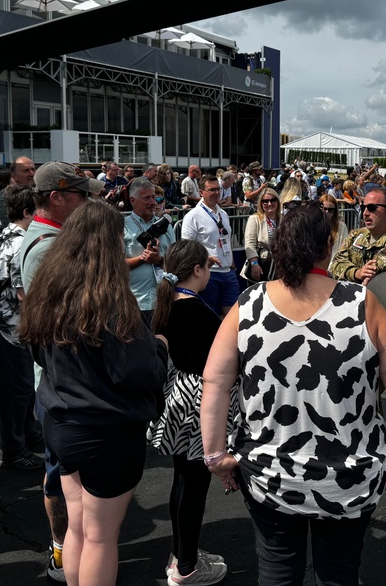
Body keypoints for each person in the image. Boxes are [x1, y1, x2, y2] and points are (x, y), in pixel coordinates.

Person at [200, 204, 386, 586]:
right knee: (339, 571)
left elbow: (216, 382)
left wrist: (215, 454)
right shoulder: (361, 302)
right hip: (348, 475)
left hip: (269, 474)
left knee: (277, 568)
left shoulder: (249, 303)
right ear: (328, 245)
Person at [21, 202, 168, 586]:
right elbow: (137, 371)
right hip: (106, 430)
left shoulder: (48, 291)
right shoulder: (111, 301)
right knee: (101, 536)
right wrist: (160, 348)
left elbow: (36, 349)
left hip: (61, 422)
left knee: (78, 527)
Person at [22, 161, 105, 584]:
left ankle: (75, 548)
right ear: (56, 196)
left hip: (65, 386)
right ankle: (62, 551)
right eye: (80, 196)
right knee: (61, 478)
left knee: (71, 478)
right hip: (63, 387)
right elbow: (53, 327)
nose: (87, 203)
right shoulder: (46, 246)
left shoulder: (51, 240)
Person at [149, 239, 231, 585]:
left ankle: (183, 554)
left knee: (183, 479)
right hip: (200, 399)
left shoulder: (168, 302)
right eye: (207, 267)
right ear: (197, 270)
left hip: (179, 395)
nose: (210, 272)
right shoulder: (194, 310)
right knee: (194, 483)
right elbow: (214, 363)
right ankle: (186, 567)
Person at [0, 185, 43, 471]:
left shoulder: (7, 235)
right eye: (38, 211)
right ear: (27, 212)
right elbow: (23, 292)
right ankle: (11, 449)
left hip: (9, 326)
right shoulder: (20, 242)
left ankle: (27, 434)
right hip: (12, 327)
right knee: (16, 391)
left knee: (21, 389)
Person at [181, 175, 239, 317]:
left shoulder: (223, 214)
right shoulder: (193, 216)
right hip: (209, 274)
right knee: (208, 317)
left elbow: (226, 239)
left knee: (232, 316)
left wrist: (232, 265)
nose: (216, 193)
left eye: (218, 189)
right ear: (201, 192)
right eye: (212, 190)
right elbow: (188, 247)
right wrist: (205, 260)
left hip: (228, 273)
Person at [123, 177, 177, 326]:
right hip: (134, 303)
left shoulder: (166, 227)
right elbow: (115, 264)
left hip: (162, 302)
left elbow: (175, 262)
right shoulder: (123, 226)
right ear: (133, 200)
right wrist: (143, 258)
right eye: (146, 198)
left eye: (154, 197)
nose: (153, 202)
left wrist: (159, 260)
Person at [243, 186, 281, 282]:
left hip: (279, 265)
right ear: (261, 203)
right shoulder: (254, 219)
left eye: (273, 200)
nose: (269, 204)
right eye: (265, 201)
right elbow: (250, 244)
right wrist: (254, 264)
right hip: (261, 263)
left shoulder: (283, 219)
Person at [318, 192, 348, 260]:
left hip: (335, 264)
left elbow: (344, 249)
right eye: (324, 209)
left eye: (330, 210)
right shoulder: (313, 225)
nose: (327, 212)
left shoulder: (341, 226)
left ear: (335, 211)